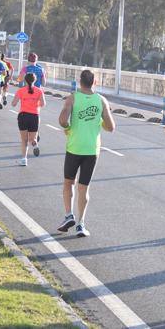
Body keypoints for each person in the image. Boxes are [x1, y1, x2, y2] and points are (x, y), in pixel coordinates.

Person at [57, 69, 115, 238]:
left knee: (68, 182)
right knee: (84, 187)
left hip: (74, 147)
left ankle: (69, 215)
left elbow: (62, 120)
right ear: (94, 82)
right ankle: (81, 224)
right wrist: (98, 121)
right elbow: (111, 127)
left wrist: (68, 128)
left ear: (79, 81)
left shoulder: (72, 98)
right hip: (92, 149)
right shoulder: (101, 100)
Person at [11, 72, 45, 166]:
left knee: (24, 140)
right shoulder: (39, 91)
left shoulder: (21, 91)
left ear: (25, 80)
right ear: (35, 80)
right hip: (34, 116)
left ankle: (24, 159)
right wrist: (36, 104)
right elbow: (43, 104)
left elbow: (13, 104)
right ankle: (34, 144)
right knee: (32, 138)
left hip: (23, 116)